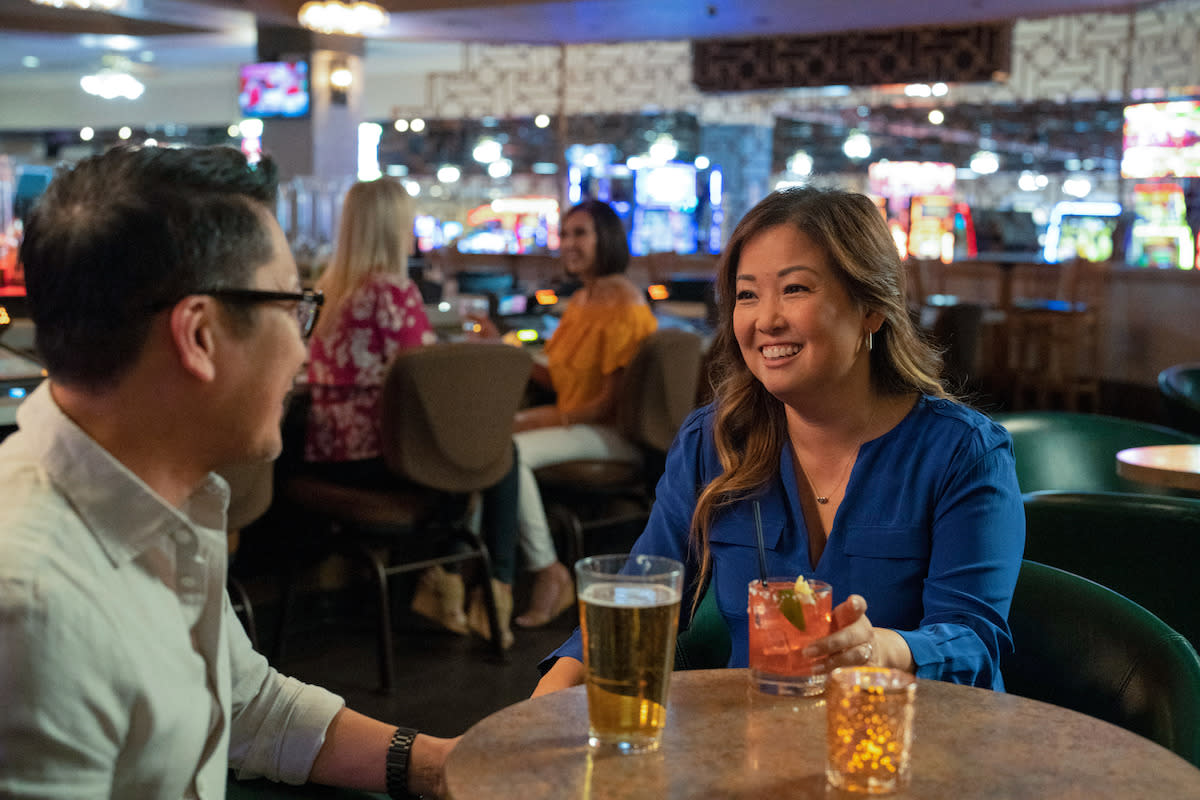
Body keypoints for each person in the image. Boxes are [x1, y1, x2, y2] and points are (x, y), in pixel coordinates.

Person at [0, 145, 453, 798]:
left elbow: (246, 703)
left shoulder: (171, 496)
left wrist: (443, 766)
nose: (304, 348)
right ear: (200, 336)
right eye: (296, 307)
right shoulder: (34, 604)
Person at [535, 186, 1025, 696]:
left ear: (871, 310)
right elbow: (637, 594)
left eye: (795, 289)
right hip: (754, 749)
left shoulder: (963, 453)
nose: (766, 319)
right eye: (747, 295)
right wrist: (521, 727)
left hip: (901, 749)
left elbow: (974, 642)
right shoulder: (716, 440)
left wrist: (883, 649)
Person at [301, 177, 520, 649]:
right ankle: (494, 590)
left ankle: (445, 581)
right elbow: (427, 381)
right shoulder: (392, 291)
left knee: (471, 461)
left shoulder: (328, 291)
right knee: (496, 451)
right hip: (381, 456)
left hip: (327, 453)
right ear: (392, 227)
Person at [507, 199, 659, 628]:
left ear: (606, 239)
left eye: (580, 234)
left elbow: (605, 405)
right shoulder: (582, 300)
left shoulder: (624, 305)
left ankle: (548, 572)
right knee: (493, 441)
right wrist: (503, 351)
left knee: (510, 451)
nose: (568, 243)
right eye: (566, 233)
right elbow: (560, 380)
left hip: (613, 436)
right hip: (579, 423)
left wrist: (539, 419)